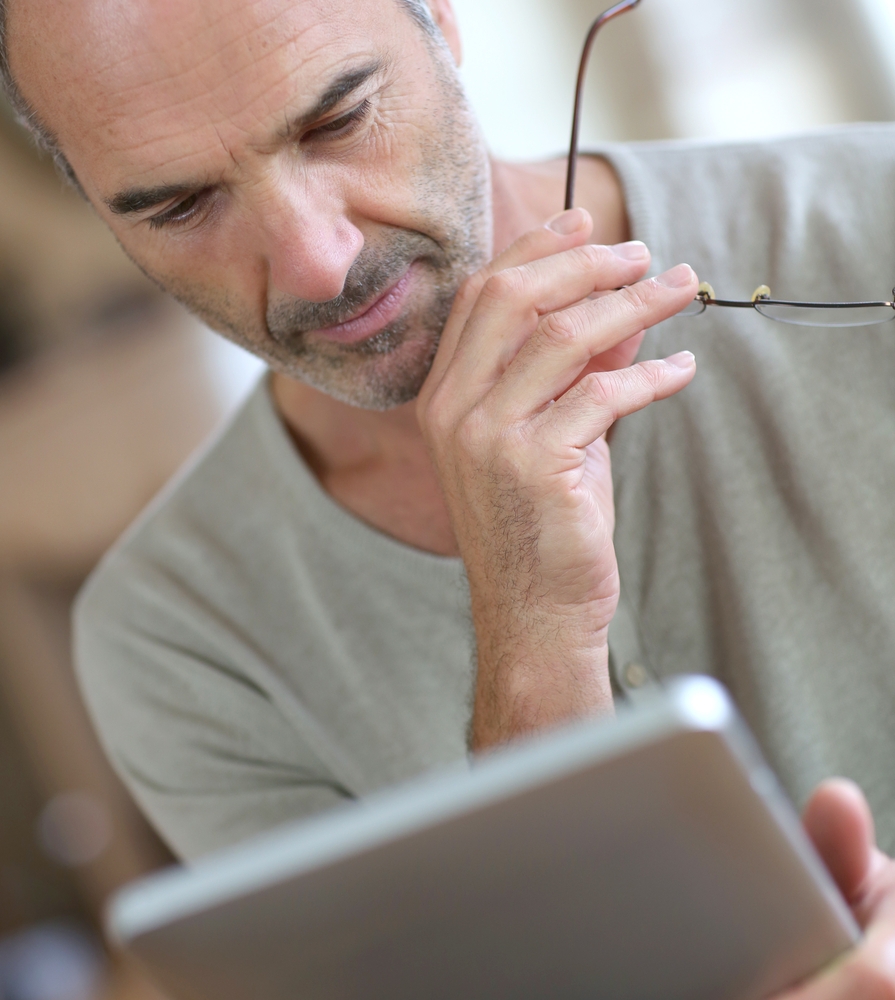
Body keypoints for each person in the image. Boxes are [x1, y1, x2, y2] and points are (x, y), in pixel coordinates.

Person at [3, 0, 895, 993]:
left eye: (339, 118)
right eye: (178, 206)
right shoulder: (176, 641)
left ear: (440, 21)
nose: (315, 262)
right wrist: (530, 627)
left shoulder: (872, 227)